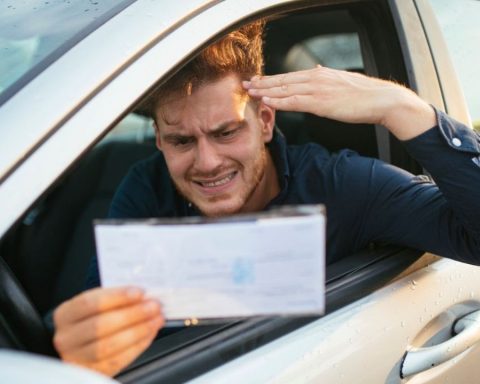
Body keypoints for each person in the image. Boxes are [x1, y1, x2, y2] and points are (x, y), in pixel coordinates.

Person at [52, 20, 480, 376]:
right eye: (181, 141)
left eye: (226, 132)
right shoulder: (147, 185)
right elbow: (110, 315)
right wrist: (81, 340)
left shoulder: (346, 184)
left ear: (266, 122)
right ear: (159, 141)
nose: (206, 161)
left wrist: (400, 107)